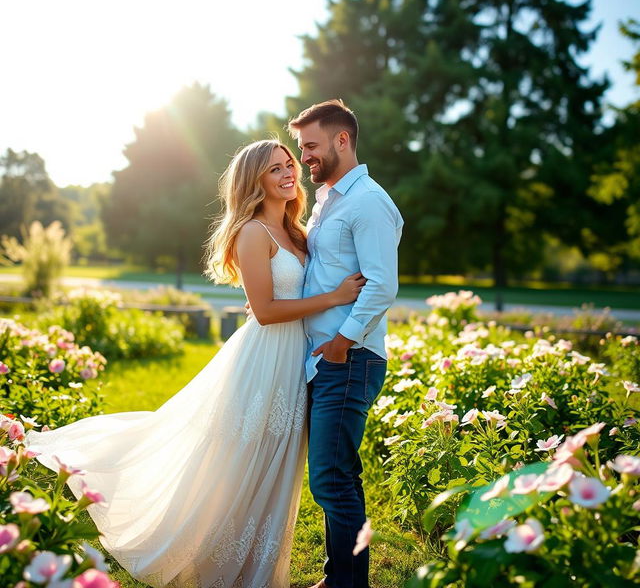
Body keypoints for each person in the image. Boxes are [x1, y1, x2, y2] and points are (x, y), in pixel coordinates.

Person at [25, 139, 365, 588]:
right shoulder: (251, 232)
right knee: (236, 461)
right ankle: (211, 556)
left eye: (289, 165)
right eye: (275, 170)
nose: (289, 174)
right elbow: (263, 310)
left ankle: (257, 567)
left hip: (293, 361)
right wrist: (335, 297)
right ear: (254, 182)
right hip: (263, 359)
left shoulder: (295, 230)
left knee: (276, 465)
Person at [287, 100, 403, 588]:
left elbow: (381, 284)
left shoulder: (368, 201)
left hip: (349, 358)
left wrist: (340, 343)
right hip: (329, 359)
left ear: (342, 140)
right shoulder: (329, 200)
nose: (305, 157)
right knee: (335, 477)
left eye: (311, 146)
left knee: (333, 479)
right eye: (301, 148)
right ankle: (341, 578)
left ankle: (349, 584)